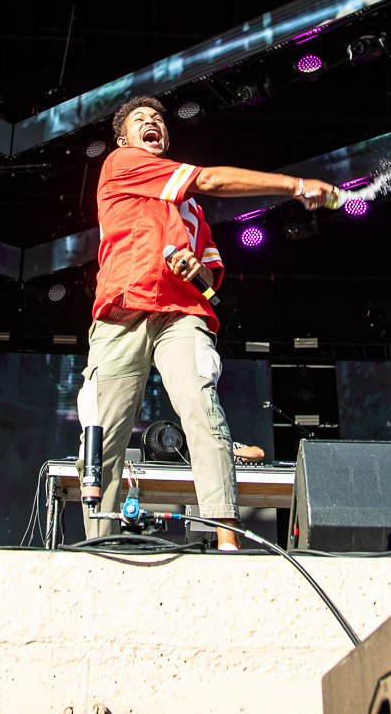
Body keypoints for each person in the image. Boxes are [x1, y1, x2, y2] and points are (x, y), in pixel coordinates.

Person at [78, 95, 339, 549]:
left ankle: (227, 540)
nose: (151, 122)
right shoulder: (122, 163)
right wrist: (296, 185)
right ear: (125, 139)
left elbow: (209, 283)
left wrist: (192, 272)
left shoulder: (191, 213)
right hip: (122, 311)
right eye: (141, 120)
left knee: (203, 412)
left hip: (182, 315)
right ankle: (101, 547)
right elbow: (212, 178)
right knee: (104, 433)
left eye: (157, 119)